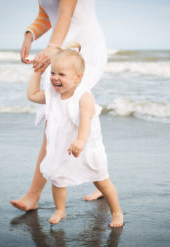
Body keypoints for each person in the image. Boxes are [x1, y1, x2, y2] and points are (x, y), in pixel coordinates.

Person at [10, 0, 106, 212]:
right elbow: (47, 15)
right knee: (65, 119)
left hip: (82, 47)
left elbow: (66, 14)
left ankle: (33, 195)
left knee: (58, 118)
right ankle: (101, 180)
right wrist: (29, 35)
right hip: (61, 46)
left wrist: (52, 47)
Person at [27, 43, 123, 227]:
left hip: (86, 146)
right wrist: (38, 72)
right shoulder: (53, 94)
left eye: (61, 74)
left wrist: (80, 141)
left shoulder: (84, 96)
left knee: (101, 180)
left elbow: (85, 121)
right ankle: (60, 210)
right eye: (53, 73)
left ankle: (117, 212)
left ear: (78, 78)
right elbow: (32, 95)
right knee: (57, 177)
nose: (55, 78)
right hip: (61, 146)